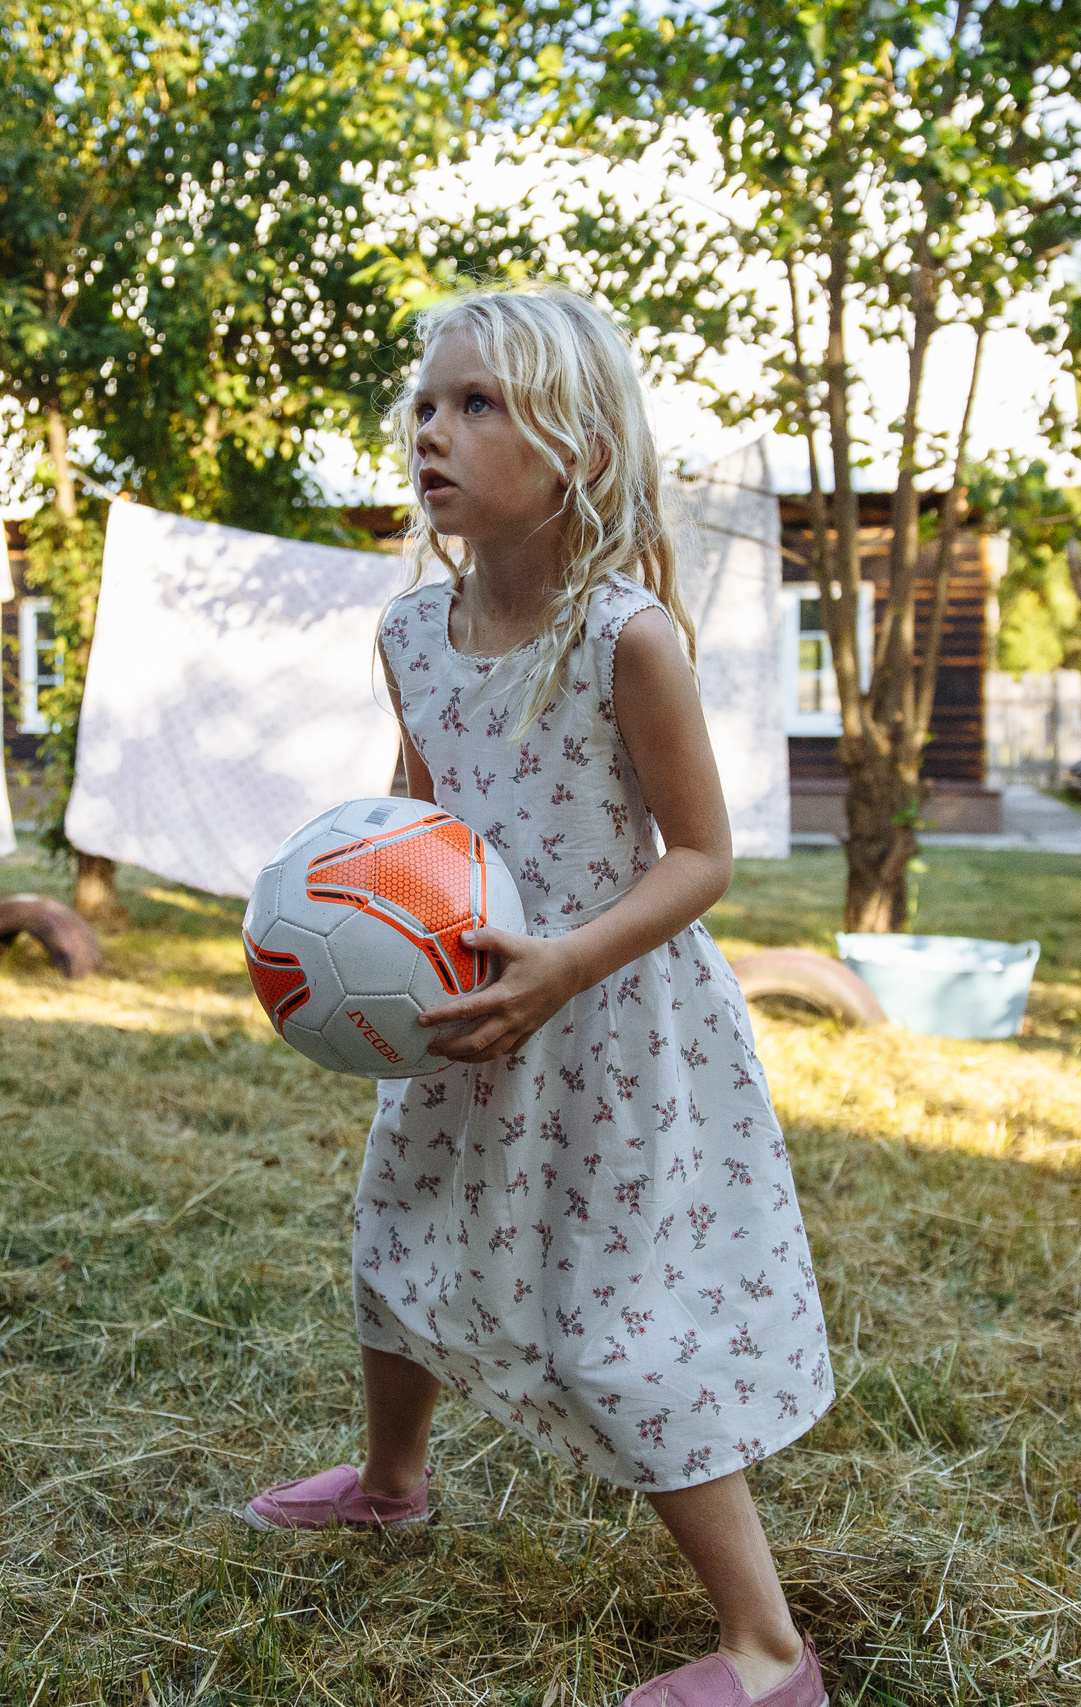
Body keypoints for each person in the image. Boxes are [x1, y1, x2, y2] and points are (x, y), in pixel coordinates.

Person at [243, 282, 834, 1707]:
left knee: (615, 1326)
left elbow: (701, 860)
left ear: (577, 447)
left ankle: (769, 1653)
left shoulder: (625, 638)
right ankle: (393, 1486)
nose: (432, 433)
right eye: (425, 406)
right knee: (395, 1242)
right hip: (465, 1023)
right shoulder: (413, 635)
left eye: (478, 405)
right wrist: (348, 935)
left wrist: (564, 962)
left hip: (609, 1030)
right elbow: (413, 829)